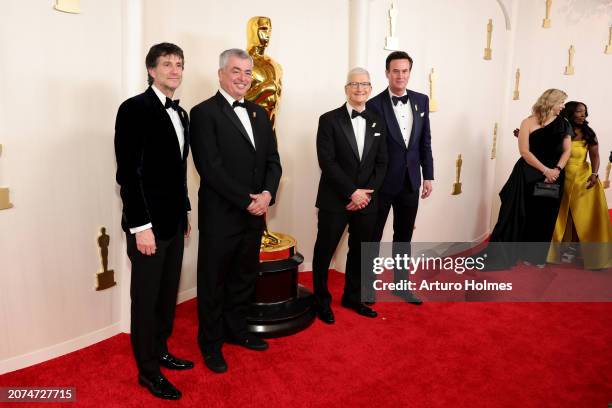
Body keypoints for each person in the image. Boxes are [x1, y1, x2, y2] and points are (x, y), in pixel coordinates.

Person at [190, 48, 282, 373]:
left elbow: (273, 160)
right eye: (235, 71)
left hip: (255, 214)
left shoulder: (258, 113)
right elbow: (210, 169)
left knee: (243, 277)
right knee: (213, 281)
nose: (242, 78)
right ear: (220, 74)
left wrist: (268, 194)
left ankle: (236, 330)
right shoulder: (202, 113)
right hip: (221, 216)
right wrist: (249, 200)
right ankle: (211, 343)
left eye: (246, 72)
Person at [114, 43, 193, 400]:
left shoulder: (183, 114)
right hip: (147, 226)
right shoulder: (133, 109)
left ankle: (160, 351)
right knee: (145, 300)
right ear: (151, 70)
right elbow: (128, 175)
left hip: (175, 222)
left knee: (165, 295)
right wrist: (140, 226)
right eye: (167, 64)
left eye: (179, 64)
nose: (175, 70)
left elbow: (177, 173)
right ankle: (147, 372)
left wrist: (186, 210)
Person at [312, 67, 388, 323]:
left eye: (365, 84)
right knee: (325, 251)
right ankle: (321, 301)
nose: (359, 89)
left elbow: (382, 163)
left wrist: (365, 194)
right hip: (336, 199)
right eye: (354, 84)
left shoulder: (378, 121)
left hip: (367, 201)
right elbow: (327, 161)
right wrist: (351, 192)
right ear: (346, 89)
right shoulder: (328, 120)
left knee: (360, 251)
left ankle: (353, 297)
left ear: (370, 88)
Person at [366, 51, 433, 304]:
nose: (400, 75)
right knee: (373, 237)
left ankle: (401, 285)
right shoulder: (373, 105)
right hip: (381, 183)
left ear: (409, 73)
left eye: (405, 71)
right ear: (387, 73)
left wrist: (428, 176)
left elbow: (424, 141)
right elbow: (369, 149)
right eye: (396, 71)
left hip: (411, 181)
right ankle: (367, 286)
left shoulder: (421, 100)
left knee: (403, 236)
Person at [486, 89, 572, 269]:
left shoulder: (564, 124)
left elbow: (567, 151)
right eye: (561, 102)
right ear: (551, 102)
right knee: (523, 214)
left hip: (555, 175)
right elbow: (524, 151)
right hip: (528, 174)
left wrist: (555, 170)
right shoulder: (528, 122)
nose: (563, 106)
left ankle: (536, 257)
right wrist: (545, 170)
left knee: (545, 216)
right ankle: (516, 252)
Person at [547, 101, 612, 269]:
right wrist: (524, 137)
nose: (583, 115)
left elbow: (595, 156)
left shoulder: (588, 133)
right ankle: (557, 250)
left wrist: (594, 174)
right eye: (578, 112)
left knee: (582, 217)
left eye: (584, 111)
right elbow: (544, 147)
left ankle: (581, 251)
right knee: (560, 216)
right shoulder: (558, 130)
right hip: (560, 177)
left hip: (583, 179)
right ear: (569, 113)